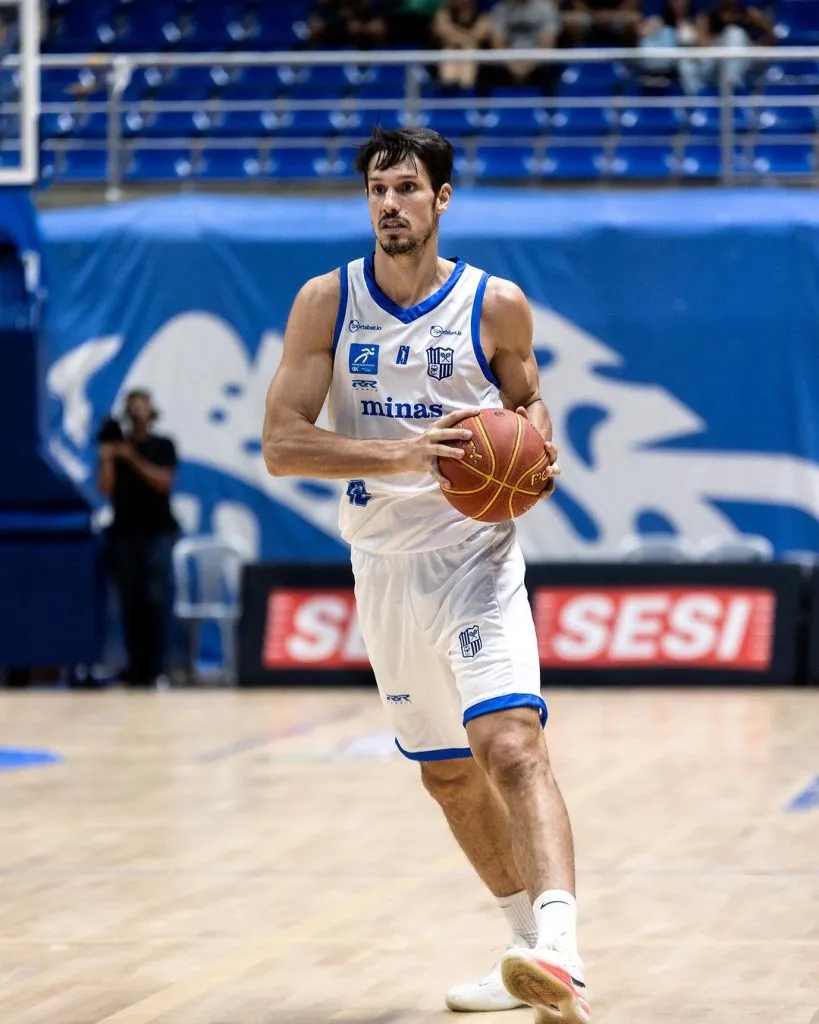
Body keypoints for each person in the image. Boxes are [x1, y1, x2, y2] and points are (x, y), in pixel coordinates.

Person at [262, 126, 588, 1024]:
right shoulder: (326, 303)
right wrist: (403, 455)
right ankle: (525, 949)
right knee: (446, 777)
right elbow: (282, 445)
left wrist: (535, 444)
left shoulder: (496, 305)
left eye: (407, 188)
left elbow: (525, 401)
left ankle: (561, 945)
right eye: (378, 189)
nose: (390, 204)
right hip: (383, 565)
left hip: (476, 559)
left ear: (442, 200)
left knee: (512, 744)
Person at [97, 389, 179, 688]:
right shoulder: (117, 448)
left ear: (151, 412)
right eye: (131, 407)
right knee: (128, 602)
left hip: (157, 533)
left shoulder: (162, 445)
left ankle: (156, 668)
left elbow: (163, 482)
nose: (136, 412)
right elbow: (105, 488)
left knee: (154, 601)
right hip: (124, 534)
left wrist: (131, 457)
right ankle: (134, 669)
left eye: (141, 406)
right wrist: (107, 456)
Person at [431, 0, 494, 91]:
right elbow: (443, 31)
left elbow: (478, 37)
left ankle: (466, 90)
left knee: (469, 52)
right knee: (450, 52)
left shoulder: (483, 15)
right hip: (450, 50)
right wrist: (467, 38)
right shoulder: (444, 13)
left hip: (475, 56)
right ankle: (449, 88)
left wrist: (454, 36)